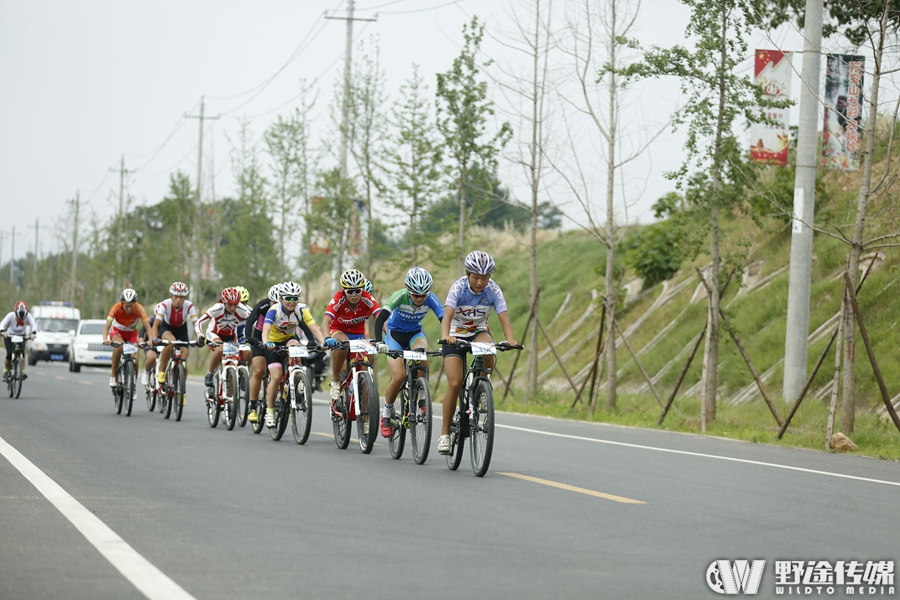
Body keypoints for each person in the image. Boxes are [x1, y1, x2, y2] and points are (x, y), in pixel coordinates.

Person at [438, 251, 516, 455]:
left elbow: (503, 316)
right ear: (467, 274)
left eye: (485, 277)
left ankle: (481, 388)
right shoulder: (459, 287)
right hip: (455, 334)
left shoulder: (493, 290)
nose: (480, 282)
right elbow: (446, 316)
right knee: (454, 383)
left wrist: (510, 339)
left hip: (478, 332)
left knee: (490, 348)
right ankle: (445, 434)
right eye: (476, 277)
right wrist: (446, 336)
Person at [373, 267, 443, 438]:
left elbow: (444, 319)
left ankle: (421, 396)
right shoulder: (399, 296)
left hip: (414, 334)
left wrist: (450, 338)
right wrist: (378, 341)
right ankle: (387, 415)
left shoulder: (431, 299)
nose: (420, 299)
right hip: (394, 336)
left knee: (423, 354)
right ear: (408, 290)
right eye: (415, 295)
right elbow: (381, 318)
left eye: (423, 295)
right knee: (398, 377)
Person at [261, 281, 321, 428]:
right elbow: (265, 330)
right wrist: (266, 343)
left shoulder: (301, 310)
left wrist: (324, 341)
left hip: (289, 339)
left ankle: (298, 379)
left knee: (295, 348)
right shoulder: (274, 310)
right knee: (276, 377)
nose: (292, 302)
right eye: (288, 298)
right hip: (273, 344)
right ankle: (269, 411)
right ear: (281, 298)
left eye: (295, 298)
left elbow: (314, 328)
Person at [321, 269, 381, 406]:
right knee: (344, 343)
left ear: (362, 289)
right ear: (343, 291)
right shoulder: (338, 298)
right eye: (350, 291)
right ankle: (336, 380)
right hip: (339, 330)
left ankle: (366, 420)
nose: (354, 295)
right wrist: (326, 338)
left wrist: (389, 336)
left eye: (357, 291)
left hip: (358, 333)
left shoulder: (367, 297)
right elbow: (326, 321)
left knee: (364, 368)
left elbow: (381, 318)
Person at [195, 287, 252, 394]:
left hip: (231, 336)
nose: (233, 307)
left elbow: (254, 321)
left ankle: (234, 393)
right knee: (219, 350)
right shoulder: (217, 308)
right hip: (214, 334)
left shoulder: (242, 309)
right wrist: (200, 336)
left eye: (236, 304)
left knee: (236, 360)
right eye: (230, 304)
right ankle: (210, 373)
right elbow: (199, 322)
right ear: (224, 302)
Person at [149, 282, 198, 393]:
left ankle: (181, 391)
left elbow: (196, 323)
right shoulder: (165, 304)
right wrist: (154, 338)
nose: (178, 300)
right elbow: (156, 324)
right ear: (171, 296)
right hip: (167, 328)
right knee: (171, 342)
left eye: (181, 297)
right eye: (175, 296)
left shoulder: (189, 305)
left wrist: (200, 337)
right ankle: (162, 371)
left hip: (181, 330)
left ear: (185, 297)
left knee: (183, 363)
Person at [101, 289, 152, 389]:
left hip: (131, 334)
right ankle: (113, 376)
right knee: (119, 346)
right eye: (126, 306)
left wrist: (150, 340)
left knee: (136, 359)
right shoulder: (116, 308)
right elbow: (107, 326)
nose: (129, 309)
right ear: (122, 303)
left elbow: (148, 327)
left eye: (131, 306)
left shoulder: (139, 309)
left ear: (135, 304)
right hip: (117, 332)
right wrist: (105, 338)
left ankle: (133, 386)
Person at [244, 284, 280, 423]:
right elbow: (250, 322)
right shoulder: (262, 306)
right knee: (258, 371)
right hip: (259, 337)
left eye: (278, 303)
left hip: (277, 339)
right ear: (269, 300)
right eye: (273, 302)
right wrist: (249, 338)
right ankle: (252, 406)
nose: (274, 306)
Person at [0, 301, 37, 381]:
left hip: (21, 336)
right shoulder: (10, 315)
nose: (20, 320)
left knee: (22, 353)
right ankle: (6, 370)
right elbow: (2, 324)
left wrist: (33, 333)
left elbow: (34, 325)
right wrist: (3, 331)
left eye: (22, 318)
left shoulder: (28, 316)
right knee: (9, 354)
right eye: (18, 318)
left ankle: (22, 371)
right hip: (9, 336)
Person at [138, 314, 158, 387]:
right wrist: (141, 341)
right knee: (152, 357)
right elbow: (142, 331)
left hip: (162, 343)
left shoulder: (168, 319)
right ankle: (146, 372)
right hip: (149, 343)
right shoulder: (151, 319)